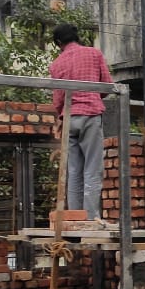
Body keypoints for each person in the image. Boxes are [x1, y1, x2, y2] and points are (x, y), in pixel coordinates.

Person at [49, 23, 113, 222]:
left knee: (74, 171)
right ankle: (91, 218)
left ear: (59, 42)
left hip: (69, 118)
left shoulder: (56, 64)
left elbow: (58, 100)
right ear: (76, 36)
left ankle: (75, 218)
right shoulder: (94, 54)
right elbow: (107, 86)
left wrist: (61, 115)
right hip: (90, 115)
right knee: (92, 169)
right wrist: (92, 96)